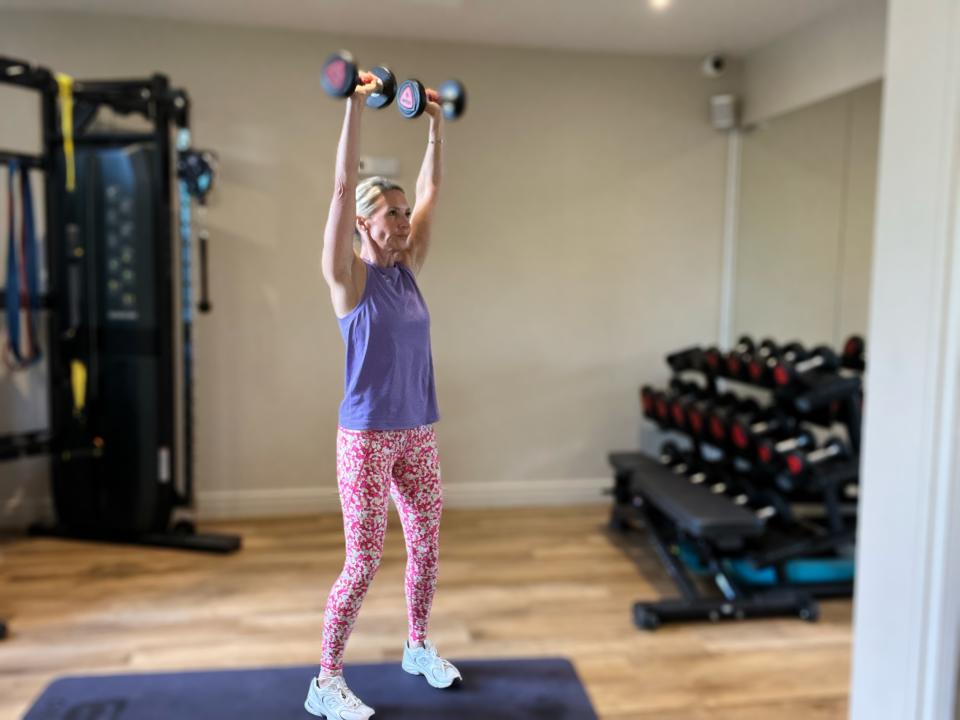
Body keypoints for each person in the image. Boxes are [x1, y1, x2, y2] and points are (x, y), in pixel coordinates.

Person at [304, 75, 462, 720]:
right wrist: (350, 105)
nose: (404, 220)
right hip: (366, 439)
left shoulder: (409, 272)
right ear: (364, 222)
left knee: (426, 546)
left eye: (404, 212)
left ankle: (417, 646)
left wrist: (435, 124)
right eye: (390, 213)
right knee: (363, 561)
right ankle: (326, 680)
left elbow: (432, 190)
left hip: (418, 432)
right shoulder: (348, 279)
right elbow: (342, 184)